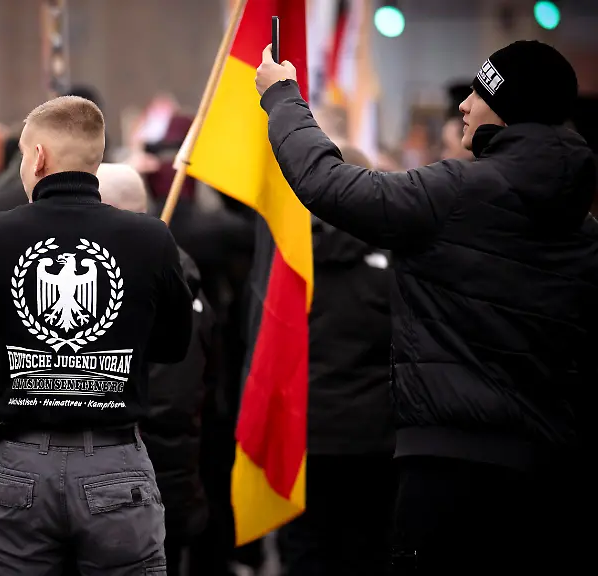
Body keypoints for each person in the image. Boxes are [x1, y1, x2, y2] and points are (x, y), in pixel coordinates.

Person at [254, 39, 598, 573]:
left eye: (480, 93)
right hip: (549, 470)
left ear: (508, 109)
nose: (463, 105)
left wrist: (281, 98)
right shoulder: (583, 227)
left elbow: (329, 183)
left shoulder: (456, 192)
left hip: (448, 471)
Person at [0, 96, 194, 575]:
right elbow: (174, 345)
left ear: (39, 156)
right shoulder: (152, 238)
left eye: (24, 155)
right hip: (115, 460)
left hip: (20, 463)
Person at [276, 146, 394, 576]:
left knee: (308, 551)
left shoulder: (289, 262)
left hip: (306, 437)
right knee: (369, 551)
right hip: (377, 442)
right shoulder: (396, 262)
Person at [97, 163, 216, 576]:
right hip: (157, 481)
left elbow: (171, 398)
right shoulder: (174, 272)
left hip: (143, 482)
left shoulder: (152, 285)